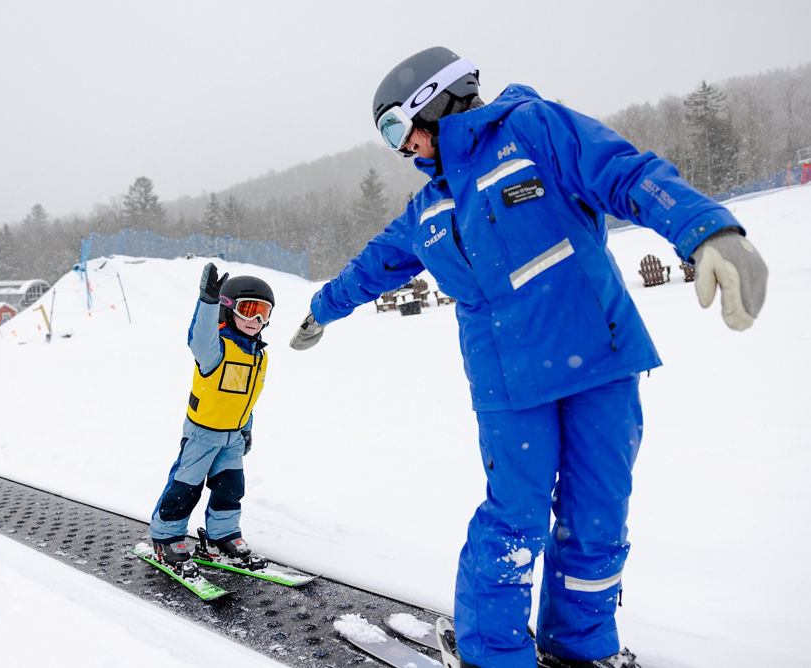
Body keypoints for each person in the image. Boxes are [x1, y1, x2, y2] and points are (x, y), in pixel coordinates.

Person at [289, 47, 767, 668]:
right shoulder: (428, 208)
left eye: (395, 128)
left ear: (433, 100)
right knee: (514, 521)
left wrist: (707, 229)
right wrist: (321, 310)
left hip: (598, 359)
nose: (399, 149)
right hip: (509, 386)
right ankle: (492, 654)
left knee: (597, 519)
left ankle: (581, 648)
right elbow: (369, 269)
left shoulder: (534, 128)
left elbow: (624, 172)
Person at [149, 262, 274, 577]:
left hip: (231, 436)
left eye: (263, 312)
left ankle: (222, 537)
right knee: (185, 488)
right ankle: (167, 538)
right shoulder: (215, 350)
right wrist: (207, 301)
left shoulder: (259, 355)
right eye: (248, 310)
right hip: (202, 435)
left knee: (230, 489)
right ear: (229, 309)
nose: (256, 320)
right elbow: (198, 338)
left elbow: (246, 398)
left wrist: (245, 430)